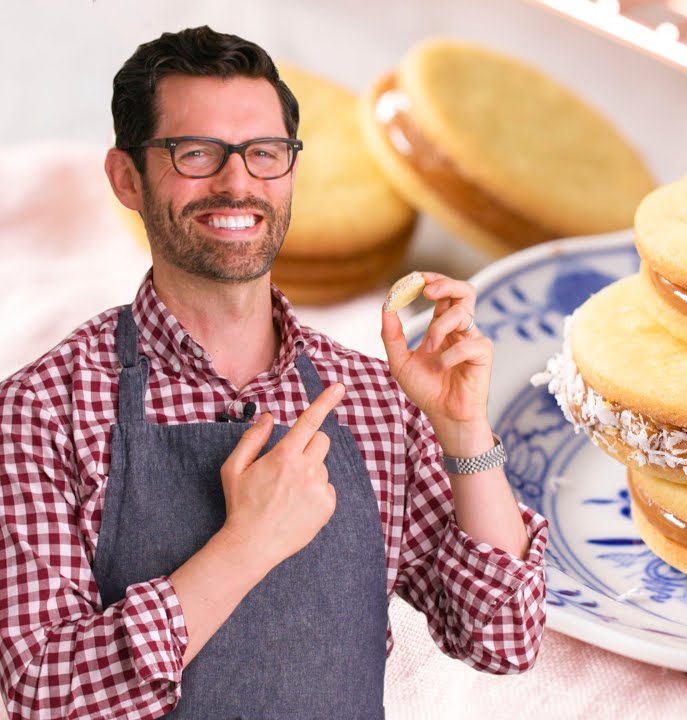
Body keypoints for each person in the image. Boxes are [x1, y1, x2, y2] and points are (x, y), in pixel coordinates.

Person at [0, 26, 547, 719]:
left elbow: (502, 634)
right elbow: (45, 695)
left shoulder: (374, 397)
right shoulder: (43, 409)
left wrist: (465, 431)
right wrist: (246, 545)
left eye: (264, 153)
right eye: (195, 153)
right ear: (126, 178)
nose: (237, 182)